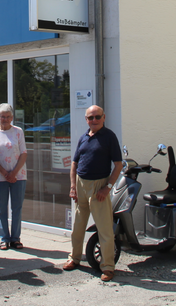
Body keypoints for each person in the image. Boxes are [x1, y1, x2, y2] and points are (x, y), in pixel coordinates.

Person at [63, 105, 123, 281]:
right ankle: (74, 258)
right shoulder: (83, 138)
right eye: (90, 118)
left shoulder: (109, 137)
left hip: (99, 187)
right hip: (81, 185)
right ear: (86, 119)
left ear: (104, 118)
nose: (94, 120)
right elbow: (74, 163)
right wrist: (73, 186)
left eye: (97, 117)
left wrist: (108, 187)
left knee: (105, 229)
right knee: (78, 227)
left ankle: (108, 267)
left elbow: (118, 165)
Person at [0, 103, 27, 251]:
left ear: (12, 117)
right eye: (2, 116)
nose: (5, 119)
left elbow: (23, 153)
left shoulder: (18, 132)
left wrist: (13, 173)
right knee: (2, 209)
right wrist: (5, 173)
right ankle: (4, 238)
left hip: (18, 176)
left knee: (17, 208)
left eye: (8, 116)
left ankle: (15, 238)